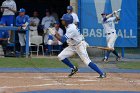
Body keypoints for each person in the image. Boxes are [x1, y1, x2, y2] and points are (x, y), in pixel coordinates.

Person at [49, 14, 106, 78]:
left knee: (87, 62)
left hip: (79, 46)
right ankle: (74, 68)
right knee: (60, 56)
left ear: (67, 21)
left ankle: (102, 73)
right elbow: (65, 37)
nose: (62, 21)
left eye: (63, 20)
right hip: (72, 46)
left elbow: (62, 40)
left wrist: (54, 34)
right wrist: (56, 32)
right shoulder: (68, 26)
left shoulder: (71, 28)